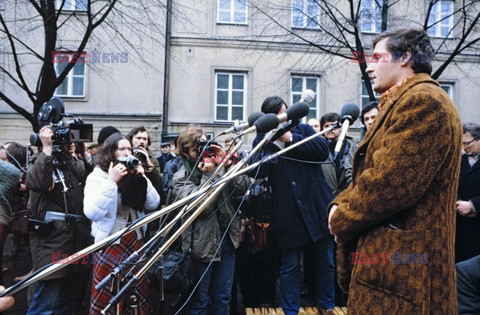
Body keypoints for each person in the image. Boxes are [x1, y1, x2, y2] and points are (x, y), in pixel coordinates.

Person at [328, 28, 462, 313]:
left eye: (377, 57)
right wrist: (340, 203)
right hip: (394, 267)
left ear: (406, 57)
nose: (369, 65)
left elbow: (389, 184)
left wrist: (341, 217)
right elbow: (373, 172)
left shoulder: (424, 101)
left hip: (404, 273)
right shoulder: (402, 100)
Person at [251, 96, 335, 314]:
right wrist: (270, 144)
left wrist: (291, 138)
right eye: (278, 116)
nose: (283, 120)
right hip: (288, 214)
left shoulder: (303, 129)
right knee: (289, 267)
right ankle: (291, 310)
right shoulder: (264, 138)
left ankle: (327, 305)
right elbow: (255, 170)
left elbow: (322, 150)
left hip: (317, 206)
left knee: (325, 262)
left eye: (285, 114)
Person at [172, 125, 249, 314]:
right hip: (199, 245)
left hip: (226, 239)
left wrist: (228, 164)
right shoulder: (181, 177)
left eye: (204, 144)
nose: (201, 151)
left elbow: (242, 187)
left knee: (223, 298)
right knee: (200, 301)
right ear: (184, 151)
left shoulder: (219, 167)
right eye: (196, 148)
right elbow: (202, 207)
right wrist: (210, 174)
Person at [84, 133, 160, 314]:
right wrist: (111, 181)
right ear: (111, 153)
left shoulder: (134, 171)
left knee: (136, 295)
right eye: (122, 149)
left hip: (135, 240)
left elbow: (153, 203)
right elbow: (92, 212)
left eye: (129, 149)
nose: (127, 153)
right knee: (106, 297)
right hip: (110, 242)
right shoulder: (98, 177)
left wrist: (142, 178)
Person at [27, 126, 93, 314]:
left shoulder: (72, 163)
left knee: (70, 302)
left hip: (78, 240)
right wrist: (47, 148)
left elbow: (89, 179)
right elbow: (37, 182)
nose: (71, 143)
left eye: (74, 139)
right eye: (67, 139)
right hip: (53, 242)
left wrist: (83, 153)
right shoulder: (41, 161)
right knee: (48, 302)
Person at [455, 123, 480, 263]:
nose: (464, 147)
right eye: (462, 143)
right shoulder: (458, 162)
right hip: (461, 231)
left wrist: (473, 205)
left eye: (467, 143)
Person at [319, 112, 357, 196]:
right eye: (326, 126)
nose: (330, 129)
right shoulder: (319, 148)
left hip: (348, 196)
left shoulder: (353, 146)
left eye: (333, 125)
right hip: (326, 198)